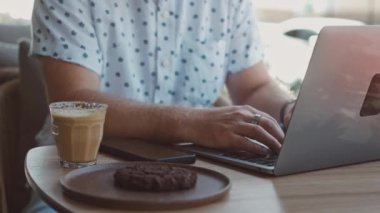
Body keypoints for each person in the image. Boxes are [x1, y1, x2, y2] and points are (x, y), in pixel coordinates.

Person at [25, 0, 296, 212]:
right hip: (78, 175)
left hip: (205, 178)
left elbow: (254, 86)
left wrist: (288, 109)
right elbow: (74, 100)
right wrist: (194, 122)